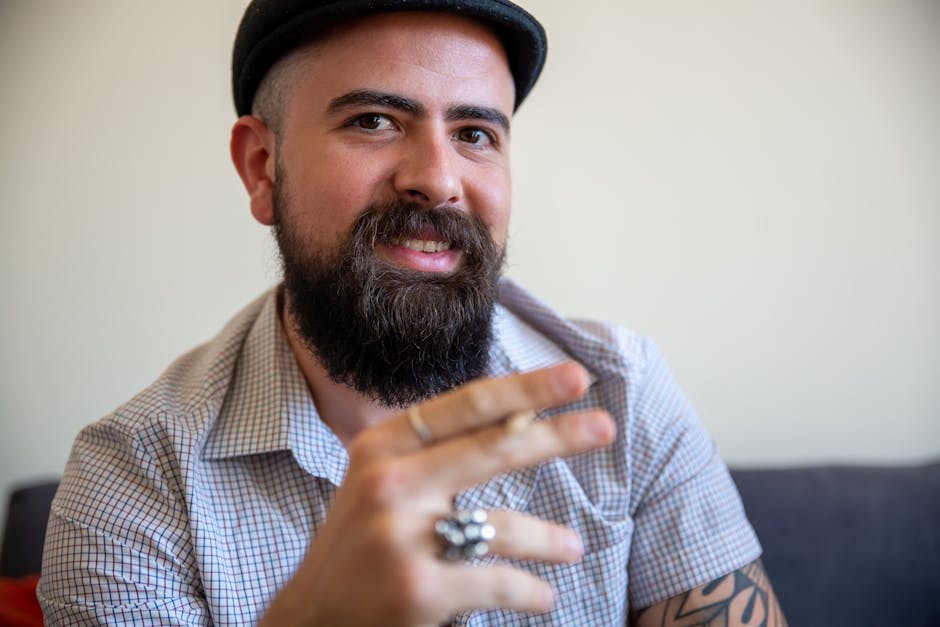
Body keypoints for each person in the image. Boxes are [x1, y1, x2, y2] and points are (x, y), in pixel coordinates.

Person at [38, 1, 788, 625]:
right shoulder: (132, 480)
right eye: (373, 120)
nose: (437, 179)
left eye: (474, 134)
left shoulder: (623, 396)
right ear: (262, 168)